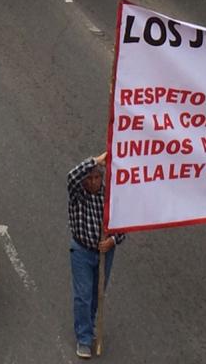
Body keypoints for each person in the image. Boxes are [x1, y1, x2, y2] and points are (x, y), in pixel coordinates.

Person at [68, 153, 124, 359]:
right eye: (89, 178)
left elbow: (123, 224)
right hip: (82, 251)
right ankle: (83, 338)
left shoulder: (110, 197)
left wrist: (113, 240)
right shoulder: (78, 195)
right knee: (82, 295)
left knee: (97, 294)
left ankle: (90, 324)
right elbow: (71, 176)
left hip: (104, 253)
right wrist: (95, 161)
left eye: (97, 177)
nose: (93, 182)